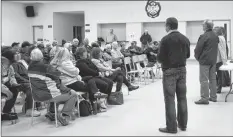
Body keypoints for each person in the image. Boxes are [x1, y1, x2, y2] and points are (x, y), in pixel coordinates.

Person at [28, 48, 78, 125]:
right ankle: (64, 115)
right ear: (41, 57)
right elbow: (58, 78)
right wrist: (67, 90)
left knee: (54, 90)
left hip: (36, 95)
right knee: (73, 94)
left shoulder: (29, 67)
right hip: (49, 95)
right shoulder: (46, 67)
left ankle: (52, 113)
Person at [157, 17, 190, 134]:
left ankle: (171, 127)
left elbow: (160, 58)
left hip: (169, 71)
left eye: (165, 25)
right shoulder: (185, 39)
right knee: (182, 98)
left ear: (168, 26)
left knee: (170, 99)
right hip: (182, 70)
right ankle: (183, 124)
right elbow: (187, 55)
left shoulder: (165, 40)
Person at [2, 49, 41, 117]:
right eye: (16, 54)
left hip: (10, 84)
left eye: (18, 53)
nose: (18, 55)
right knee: (15, 89)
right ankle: (5, 111)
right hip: (3, 86)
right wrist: (6, 89)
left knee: (27, 87)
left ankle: (29, 109)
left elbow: (12, 76)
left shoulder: (10, 66)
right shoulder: (3, 65)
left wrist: (14, 83)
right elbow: (16, 76)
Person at [194, 20, 219, 104]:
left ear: (206, 26)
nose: (202, 26)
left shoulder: (203, 36)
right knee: (213, 79)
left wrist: (197, 58)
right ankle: (213, 97)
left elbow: (198, 49)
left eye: (203, 25)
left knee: (204, 80)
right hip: (213, 60)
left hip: (205, 61)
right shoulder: (216, 36)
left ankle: (204, 98)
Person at [213, 27, 227, 94]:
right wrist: (224, 59)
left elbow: (221, 50)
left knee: (212, 73)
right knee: (219, 74)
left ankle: (216, 88)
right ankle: (219, 88)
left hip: (217, 59)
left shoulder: (218, 38)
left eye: (214, 31)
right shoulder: (223, 38)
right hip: (220, 59)